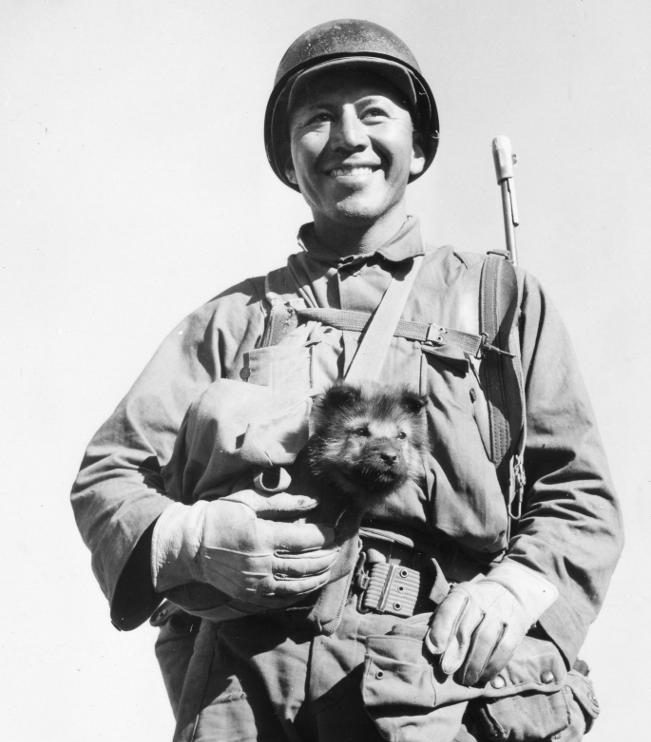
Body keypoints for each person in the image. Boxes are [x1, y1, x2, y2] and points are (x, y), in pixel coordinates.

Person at [71, 18, 623, 742]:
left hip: (435, 684)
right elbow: (108, 474)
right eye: (317, 119)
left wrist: (517, 588)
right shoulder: (229, 321)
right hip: (245, 687)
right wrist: (190, 539)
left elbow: (577, 496)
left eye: (373, 112)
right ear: (288, 161)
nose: (346, 136)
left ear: (417, 147)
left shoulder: (498, 300)